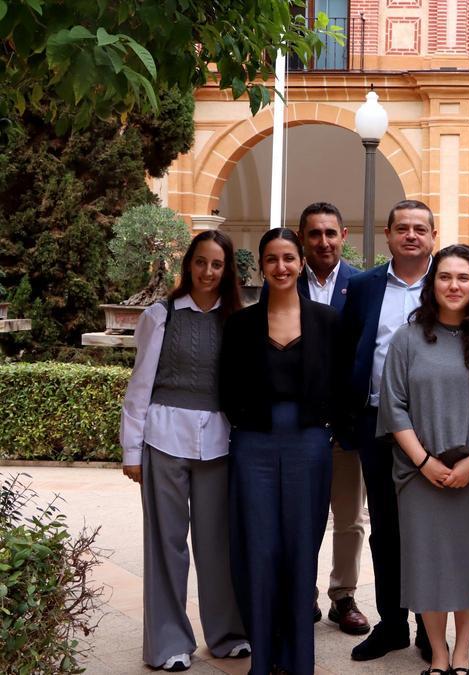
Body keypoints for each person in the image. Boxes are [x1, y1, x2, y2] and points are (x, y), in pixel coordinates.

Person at [120, 230, 249, 672]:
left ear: (228, 270)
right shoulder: (161, 315)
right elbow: (140, 386)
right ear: (188, 264)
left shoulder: (238, 319)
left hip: (219, 444)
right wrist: (131, 451)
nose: (208, 272)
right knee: (166, 544)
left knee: (218, 544)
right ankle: (169, 643)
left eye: (217, 265)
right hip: (163, 439)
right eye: (201, 262)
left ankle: (228, 635)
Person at [378, 244, 469, 675]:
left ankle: (463, 654)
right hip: (418, 474)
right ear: (432, 284)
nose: (454, 285)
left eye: (463, 278)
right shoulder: (408, 338)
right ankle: (437, 655)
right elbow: (393, 406)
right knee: (426, 564)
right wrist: (424, 461)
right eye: (445, 277)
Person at [220, 227, 340, 675]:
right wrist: (247, 424)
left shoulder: (327, 321)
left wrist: (330, 428)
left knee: (300, 547)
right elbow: (226, 388)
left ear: (301, 262)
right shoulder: (241, 324)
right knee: (259, 547)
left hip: (310, 442)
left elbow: (344, 381)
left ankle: (297, 657)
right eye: (272, 259)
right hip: (253, 443)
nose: (282, 267)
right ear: (262, 266)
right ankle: (263, 654)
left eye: (289, 258)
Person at [339, 199, 436, 662]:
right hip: (377, 424)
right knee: (386, 529)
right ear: (388, 234)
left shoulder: (449, 281)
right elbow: (349, 352)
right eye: (403, 228)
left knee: (428, 528)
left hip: (435, 429)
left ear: (432, 237)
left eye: (421, 229)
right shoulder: (363, 286)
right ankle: (393, 624)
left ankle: (427, 627)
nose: (412, 235)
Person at [290, 202, 370, 635]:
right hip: (300, 422)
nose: (323, 241)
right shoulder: (283, 280)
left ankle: (344, 596)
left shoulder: (363, 284)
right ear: (302, 238)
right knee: (303, 513)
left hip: (347, 419)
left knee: (349, 516)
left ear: (344, 235)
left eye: (330, 233)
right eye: (314, 234)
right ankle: (303, 594)